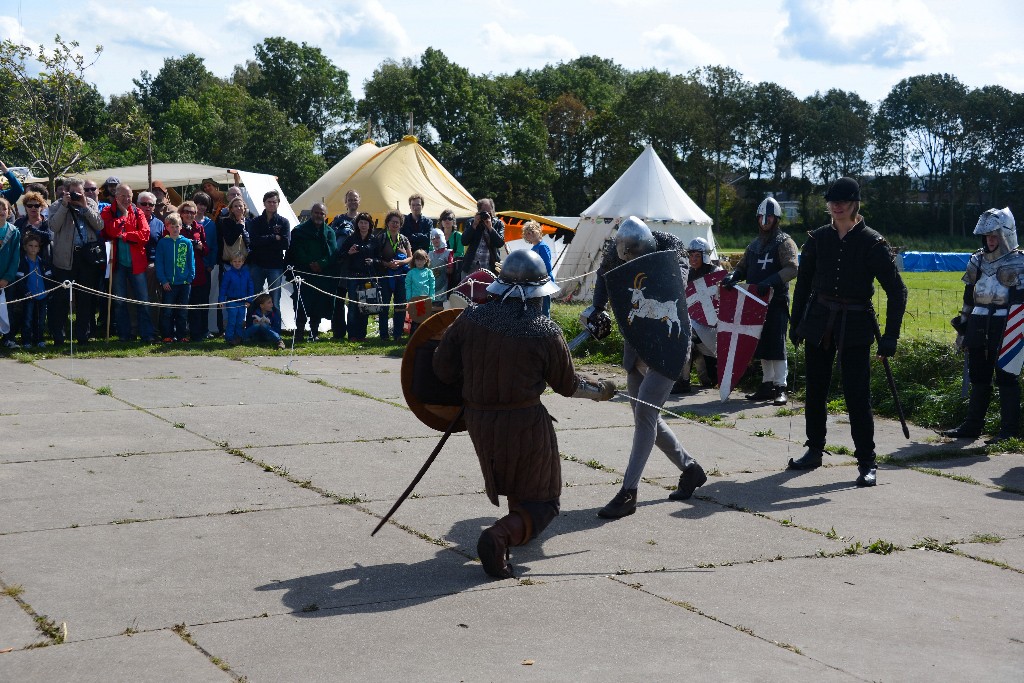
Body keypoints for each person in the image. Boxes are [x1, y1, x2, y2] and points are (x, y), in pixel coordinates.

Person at [432, 249, 614, 579]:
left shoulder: (470, 319)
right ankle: (498, 537)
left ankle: (512, 530)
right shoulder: (544, 330)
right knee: (544, 500)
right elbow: (567, 384)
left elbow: (442, 369)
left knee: (519, 484)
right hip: (524, 423)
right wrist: (601, 390)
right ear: (535, 292)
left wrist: (478, 377)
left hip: (478, 420)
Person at [788, 177, 907, 487]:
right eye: (832, 200)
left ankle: (867, 462)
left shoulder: (872, 242)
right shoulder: (817, 239)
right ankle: (814, 450)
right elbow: (803, 284)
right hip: (818, 320)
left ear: (855, 203)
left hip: (855, 324)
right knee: (815, 390)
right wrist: (796, 321)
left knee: (857, 395)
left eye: (842, 200)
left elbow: (897, 291)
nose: (836, 205)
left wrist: (891, 335)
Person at [586, 216, 708, 518]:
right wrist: (597, 309)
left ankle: (629, 492)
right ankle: (690, 469)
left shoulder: (671, 250)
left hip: (669, 341)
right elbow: (604, 277)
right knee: (646, 415)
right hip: (637, 340)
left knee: (645, 414)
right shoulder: (616, 250)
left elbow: (672, 287)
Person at [942, 208, 1024, 444]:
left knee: (1007, 376)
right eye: (987, 235)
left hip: (1006, 323)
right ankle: (972, 426)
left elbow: (1021, 302)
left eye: (994, 235)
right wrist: (963, 326)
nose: (990, 240)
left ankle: (1008, 431)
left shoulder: (1020, 261)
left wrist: (1016, 331)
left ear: (1006, 234)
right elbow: (969, 297)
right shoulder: (976, 260)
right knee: (979, 376)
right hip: (978, 321)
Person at [721, 197, 799, 405]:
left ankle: (780, 386)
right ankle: (767, 385)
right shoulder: (754, 245)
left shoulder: (784, 242)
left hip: (776, 300)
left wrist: (771, 281)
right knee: (763, 343)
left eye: (769, 216)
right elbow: (742, 268)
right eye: (762, 217)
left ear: (776, 218)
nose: (765, 220)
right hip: (755, 302)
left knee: (776, 343)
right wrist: (733, 277)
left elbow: (792, 268)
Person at [49, 179, 105, 345]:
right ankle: (59, 336)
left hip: (86, 258)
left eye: (80, 192)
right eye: (73, 192)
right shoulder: (57, 205)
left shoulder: (90, 204)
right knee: (62, 299)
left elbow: (99, 225)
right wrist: (64, 206)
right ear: (65, 192)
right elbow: (53, 226)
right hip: (64, 258)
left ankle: (83, 335)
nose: (77, 195)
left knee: (85, 299)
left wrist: (85, 206)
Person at [101, 183, 157, 343]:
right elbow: (110, 230)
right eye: (123, 196)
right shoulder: (108, 211)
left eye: (129, 196)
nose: (127, 199)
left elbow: (145, 235)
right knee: (119, 301)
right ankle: (124, 334)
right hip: (118, 263)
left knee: (143, 299)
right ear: (116, 196)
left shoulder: (138, 212)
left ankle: (147, 334)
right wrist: (124, 216)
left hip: (137, 263)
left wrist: (124, 235)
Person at [674, 237, 723, 393]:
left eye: (697, 256)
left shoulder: (716, 274)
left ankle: (692, 378)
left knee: (709, 380)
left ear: (705, 256)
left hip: (711, 328)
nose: (693, 259)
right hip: (694, 326)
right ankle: (683, 381)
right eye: (691, 255)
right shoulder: (687, 274)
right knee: (683, 340)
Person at [286, 202, 337, 341]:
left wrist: (321, 264)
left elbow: (333, 252)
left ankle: (314, 333)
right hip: (303, 273)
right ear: (311, 213)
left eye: (322, 213)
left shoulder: (329, 232)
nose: (318, 215)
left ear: (325, 216)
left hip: (322, 275)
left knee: (318, 304)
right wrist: (309, 263)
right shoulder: (299, 230)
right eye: (316, 212)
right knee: (301, 303)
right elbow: (296, 251)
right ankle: (300, 332)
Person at [247, 190, 290, 313]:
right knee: (255, 297)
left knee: (274, 298)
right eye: (269, 202)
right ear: (264, 203)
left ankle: (274, 329)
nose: (272, 204)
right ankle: (252, 327)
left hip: (275, 265)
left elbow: (285, 244)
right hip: (257, 264)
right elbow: (253, 241)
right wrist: (273, 238)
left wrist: (264, 240)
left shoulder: (283, 222)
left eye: (274, 202)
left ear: (278, 204)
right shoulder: (255, 222)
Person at [154, 212, 194, 342]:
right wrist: (163, 280)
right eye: (172, 226)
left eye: (177, 226)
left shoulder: (187, 242)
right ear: (167, 227)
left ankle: (182, 335)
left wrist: (190, 278)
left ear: (181, 227)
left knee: (183, 311)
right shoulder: (163, 243)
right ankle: (167, 335)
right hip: (169, 284)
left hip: (184, 283)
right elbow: (159, 263)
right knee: (167, 311)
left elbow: (191, 261)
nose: (175, 229)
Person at [374, 209, 412, 341]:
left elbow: (411, 258)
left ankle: (397, 334)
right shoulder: (381, 237)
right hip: (385, 276)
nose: (395, 224)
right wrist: (387, 264)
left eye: (397, 222)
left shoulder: (404, 239)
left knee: (400, 306)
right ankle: (384, 335)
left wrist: (402, 261)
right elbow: (376, 258)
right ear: (387, 223)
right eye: (393, 222)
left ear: (400, 224)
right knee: (384, 305)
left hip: (401, 277)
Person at [339, 212, 377, 341]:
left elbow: (379, 258)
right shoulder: (351, 238)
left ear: (370, 225)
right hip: (353, 276)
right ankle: (352, 335)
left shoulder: (374, 239)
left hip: (367, 277)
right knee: (353, 306)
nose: (363, 225)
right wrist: (349, 253)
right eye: (361, 222)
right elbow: (340, 255)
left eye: (366, 223)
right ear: (357, 224)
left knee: (365, 307)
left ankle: (362, 334)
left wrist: (373, 261)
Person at [330, 189, 360, 341]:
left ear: (359, 200)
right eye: (350, 199)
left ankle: (354, 332)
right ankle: (338, 332)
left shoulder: (363, 218)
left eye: (355, 199)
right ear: (345, 202)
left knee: (355, 301)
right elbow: (331, 236)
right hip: (341, 266)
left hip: (357, 267)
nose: (352, 201)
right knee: (339, 301)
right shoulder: (338, 219)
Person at [178, 201, 210, 342]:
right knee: (181, 305)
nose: (189, 214)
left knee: (197, 305)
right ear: (181, 213)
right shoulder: (176, 227)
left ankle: (196, 333)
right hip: (180, 272)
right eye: (186, 211)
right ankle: (179, 334)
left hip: (197, 272)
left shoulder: (199, 228)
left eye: (192, 212)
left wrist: (200, 247)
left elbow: (206, 250)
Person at [13, 232, 51, 348]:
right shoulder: (22, 263)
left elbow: (49, 278)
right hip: (29, 296)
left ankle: (39, 340)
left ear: (39, 248)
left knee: (41, 320)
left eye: (36, 246)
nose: (33, 248)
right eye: (30, 245)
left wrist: (48, 291)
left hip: (42, 296)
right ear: (25, 247)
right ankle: (26, 341)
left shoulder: (44, 264)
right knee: (28, 319)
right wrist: (26, 292)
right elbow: (19, 281)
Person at [138, 191, 165, 332]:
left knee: (153, 298)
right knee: (134, 298)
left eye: (150, 204)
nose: (147, 206)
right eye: (144, 203)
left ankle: (153, 329)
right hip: (134, 264)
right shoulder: (131, 220)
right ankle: (134, 329)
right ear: (137, 205)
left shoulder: (159, 224)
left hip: (152, 265)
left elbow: (162, 247)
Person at [193, 191, 219, 338]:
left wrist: (211, 264)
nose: (202, 207)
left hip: (205, 267)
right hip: (190, 267)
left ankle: (204, 329)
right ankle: (191, 329)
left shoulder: (211, 224)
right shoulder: (187, 221)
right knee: (191, 300)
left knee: (204, 301)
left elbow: (214, 246)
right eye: (199, 203)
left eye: (204, 204)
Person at [460, 198, 505, 279]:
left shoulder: (498, 224)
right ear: (478, 212)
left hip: (489, 267)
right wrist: (474, 225)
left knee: (487, 291)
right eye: (484, 212)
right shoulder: (471, 222)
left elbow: (500, 243)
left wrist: (490, 228)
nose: (486, 215)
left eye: (489, 212)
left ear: (493, 211)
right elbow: (464, 241)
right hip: (470, 266)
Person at [0, 198, 21, 348]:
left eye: (4, 209)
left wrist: (7, 277)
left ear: (8, 212)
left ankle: (8, 338)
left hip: (7, 279)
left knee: (8, 308)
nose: (1, 212)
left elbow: (16, 257)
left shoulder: (13, 232)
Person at [220, 254, 254, 345]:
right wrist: (221, 300)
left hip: (242, 302)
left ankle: (239, 337)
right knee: (232, 320)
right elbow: (223, 287)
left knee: (240, 321)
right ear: (231, 262)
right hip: (232, 301)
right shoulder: (228, 274)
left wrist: (249, 300)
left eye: (239, 261)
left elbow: (250, 288)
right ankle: (229, 337)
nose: (237, 263)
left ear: (243, 262)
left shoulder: (246, 274)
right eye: (235, 261)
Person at [522, 220, 554, 316]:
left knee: (544, 310)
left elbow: (547, 267)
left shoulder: (543, 247)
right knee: (536, 310)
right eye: (528, 233)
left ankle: (546, 330)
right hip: (535, 283)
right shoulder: (532, 249)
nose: (530, 234)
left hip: (544, 283)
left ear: (538, 232)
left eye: (532, 231)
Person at [404, 249, 434, 335]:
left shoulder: (429, 272)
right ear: (414, 261)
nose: (419, 262)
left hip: (426, 300)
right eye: (417, 259)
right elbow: (408, 286)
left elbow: (432, 285)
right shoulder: (411, 273)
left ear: (426, 260)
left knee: (425, 320)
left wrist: (432, 297)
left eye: (422, 259)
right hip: (414, 300)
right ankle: (413, 338)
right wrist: (409, 298)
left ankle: (425, 338)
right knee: (415, 320)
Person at [428, 228, 453, 308]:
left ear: (442, 237)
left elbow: (450, 270)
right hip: (431, 285)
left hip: (443, 285)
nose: (435, 240)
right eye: (433, 238)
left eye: (438, 237)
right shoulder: (429, 254)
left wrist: (441, 268)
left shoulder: (448, 253)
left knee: (440, 307)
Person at [438, 208, 464, 275]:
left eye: (449, 218)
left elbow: (460, 253)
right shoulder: (436, 235)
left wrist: (447, 258)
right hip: (438, 268)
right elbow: (431, 251)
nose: (447, 220)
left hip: (455, 269)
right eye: (444, 218)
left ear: (453, 222)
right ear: (441, 222)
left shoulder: (459, 236)